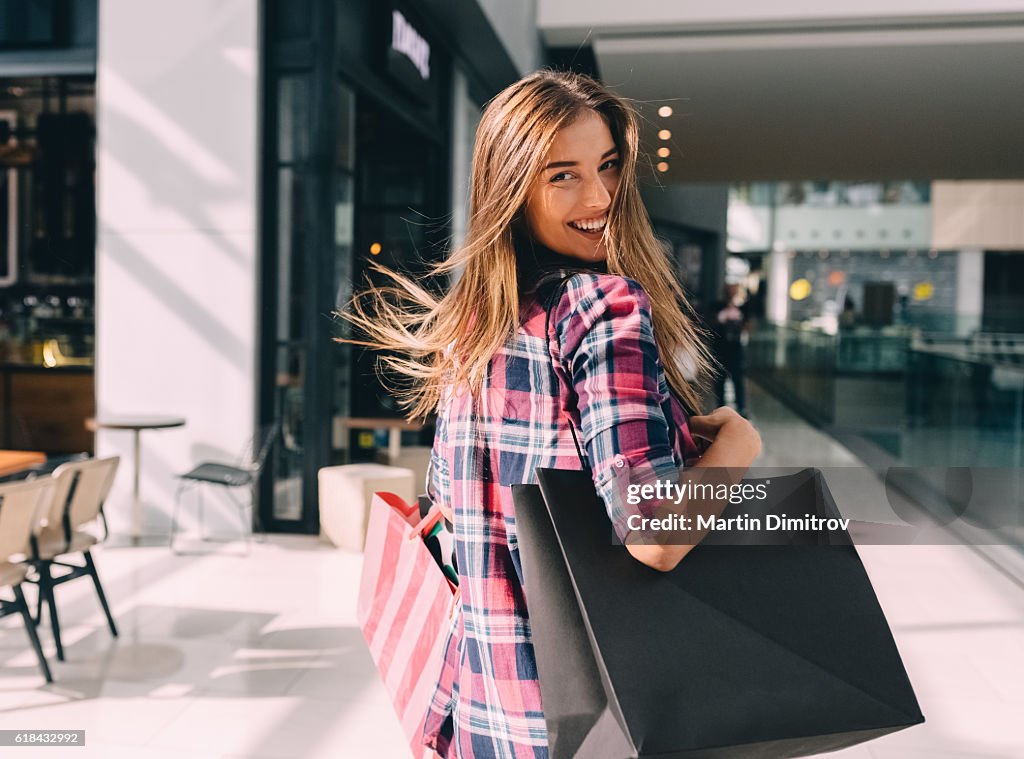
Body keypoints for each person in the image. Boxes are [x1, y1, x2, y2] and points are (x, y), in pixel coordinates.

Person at [342, 70, 761, 759]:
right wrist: (738, 445)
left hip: (480, 714)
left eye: (607, 167)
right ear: (511, 187)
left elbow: (452, 512)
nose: (598, 197)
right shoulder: (602, 307)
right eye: (561, 175)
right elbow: (655, 534)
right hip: (595, 722)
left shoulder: (472, 326)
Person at [707, 283, 750, 417]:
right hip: (720, 348)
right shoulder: (716, 307)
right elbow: (711, 323)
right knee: (720, 380)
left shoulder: (742, 308)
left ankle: (741, 407)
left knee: (737, 379)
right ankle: (721, 407)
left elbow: (747, 326)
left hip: (735, 349)